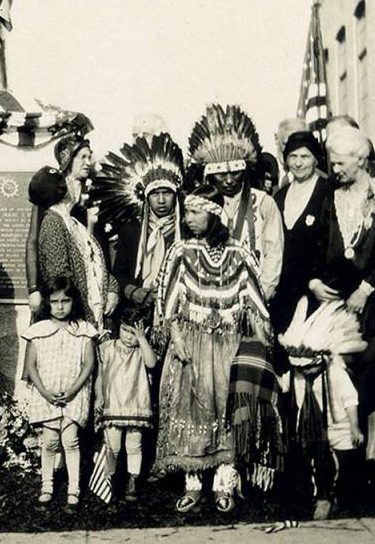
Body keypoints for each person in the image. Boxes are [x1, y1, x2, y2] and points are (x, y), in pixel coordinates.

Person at [152, 185, 272, 514]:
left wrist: (256, 345)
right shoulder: (180, 252)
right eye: (186, 212)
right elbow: (170, 302)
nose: (188, 218)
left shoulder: (239, 253)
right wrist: (176, 338)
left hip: (229, 345)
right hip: (191, 343)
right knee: (190, 407)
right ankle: (193, 483)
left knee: (227, 410)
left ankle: (224, 482)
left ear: (215, 213)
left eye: (195, 212)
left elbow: (254, 302)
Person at [306, 126, 375, 475]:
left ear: (359, 159)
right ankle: (347, 444)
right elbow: (318, 245)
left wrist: (367, 288)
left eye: (339, 163)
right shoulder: (331, 196)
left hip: (372, 296)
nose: (334, 170)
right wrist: (315, 281)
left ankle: (374, 447)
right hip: (336, 296)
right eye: (331, 163)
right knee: (340, 370)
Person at [279, 300, 366, 520]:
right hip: (312, 428)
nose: (305, 371)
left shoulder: (335, 372)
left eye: (310, 366)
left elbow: (350, 399)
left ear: (323, 359)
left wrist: (355, 427)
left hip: (340, 425)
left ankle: (338, 495)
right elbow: (284, 386)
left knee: (343, 463)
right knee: (317, 462)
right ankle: (322, 497)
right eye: (300, 367)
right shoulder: (298, 374)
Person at [188, 104, 283, 302]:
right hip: (210, 299)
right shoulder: (199, 206)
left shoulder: (264, 203)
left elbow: (273, 255)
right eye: (222, 174)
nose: (230, 180)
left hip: (256, 296)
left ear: (246, 170)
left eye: (236, 172)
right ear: (210, 174)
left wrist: (259, 296)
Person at [22, 276, 97, 510]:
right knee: (50, 441)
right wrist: (44, 391)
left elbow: (89, 365)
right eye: (55, 301)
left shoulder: (83, 330)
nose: (61, 306)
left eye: (66, 300)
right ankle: (47, 486)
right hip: (48, 393)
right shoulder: (38, 331)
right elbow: (31, 366)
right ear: (48, 303)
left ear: (73, 301)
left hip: (74, 392)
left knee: (70, 439)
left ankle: (74, 489)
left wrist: (74, 389)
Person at [99, 133, 185, 319]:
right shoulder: (132, 230)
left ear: (175, 196)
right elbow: (119, 273)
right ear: (146, 198)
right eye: (155, 194)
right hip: (136, 311)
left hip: (176, 311)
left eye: (167, 193)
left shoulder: (185, 231)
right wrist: (132, 291)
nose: (161, 200)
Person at [28, 165, 119, 332]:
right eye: (68, 181)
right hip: (74, 324)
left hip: (93, 315)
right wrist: (87, 318)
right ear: (61, 192)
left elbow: (95, 264)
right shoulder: (53, 224)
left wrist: (112, 289)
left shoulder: (74, 223)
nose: (73, 183)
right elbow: (60, 279)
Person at [25, 133, 102, 315]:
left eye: (89, 157)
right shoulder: (50, 187)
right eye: (82, 157)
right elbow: (33, 240)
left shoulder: (89, 191)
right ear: (68, 159)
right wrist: (33, 288)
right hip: (56, 284)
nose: (87, 162)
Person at [93, 310, 157, 504]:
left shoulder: (141, 350)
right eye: (126, 330)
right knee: (113, 445)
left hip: (136, 403)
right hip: (113, 402)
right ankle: (109, 479)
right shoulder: (107, 347)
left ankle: (133, 479)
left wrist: (142, 339)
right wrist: (99, 397)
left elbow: (152, 363)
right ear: (119, 327)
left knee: (134, 444)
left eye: (134, 333)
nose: (129, 337)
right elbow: (100, 376)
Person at [271, 131, 331, 334]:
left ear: (315, 159)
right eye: (293, 157)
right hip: (285, 292)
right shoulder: (279, 197)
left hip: (316, 290)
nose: (298, 163)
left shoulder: (328, 192)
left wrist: (315, 281)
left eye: (304, 157)